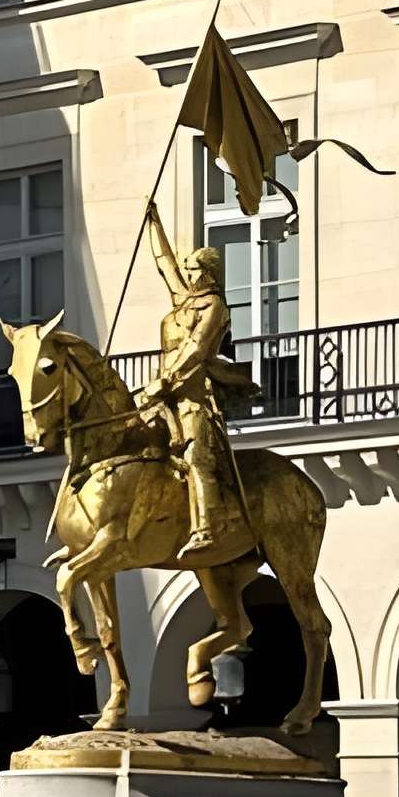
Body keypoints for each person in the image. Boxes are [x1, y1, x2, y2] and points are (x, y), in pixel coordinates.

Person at [136, 198, 258, 556]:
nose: (187, 275)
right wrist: (152, 224)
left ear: (207, 272)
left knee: (195, 455)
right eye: (187, 270)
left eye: (193, 270)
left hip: (193, 393)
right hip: (165, 392)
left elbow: (196, 349)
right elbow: (165, 267)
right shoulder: (183, 300)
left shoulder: (214, 307)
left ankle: (208, 525)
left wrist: (165, 382)